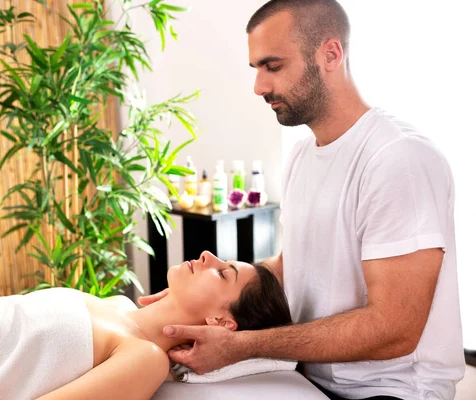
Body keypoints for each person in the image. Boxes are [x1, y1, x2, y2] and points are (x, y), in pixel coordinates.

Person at [138, 1, 465, 399]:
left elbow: (394, 330)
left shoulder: (397, 160)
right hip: (312, 378)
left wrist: (242, 346)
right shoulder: (302, 157)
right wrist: (196, 296)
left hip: (392, 390)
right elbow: (298, 263)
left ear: (330, 54)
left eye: (272, 67)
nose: (259, 87)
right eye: (256, 69)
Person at [0, 251, 292, 400]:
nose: (205, 256)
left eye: (222, 274)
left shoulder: (145, 359)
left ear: (221, 321)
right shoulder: (115, 306)